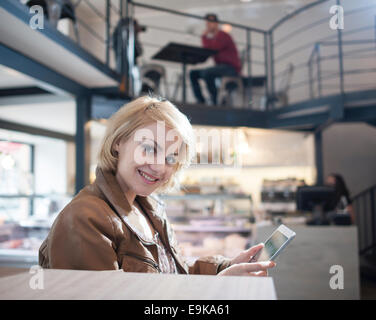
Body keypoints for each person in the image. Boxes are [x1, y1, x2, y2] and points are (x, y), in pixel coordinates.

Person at [38, 95, 275, 277]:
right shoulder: (84, 218)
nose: (160, 167)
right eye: (150, 148)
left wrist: (226, 267)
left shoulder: (148, 207)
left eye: (171, 157)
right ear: (119, 141)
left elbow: (172, 273)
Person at [190, 13, 241, 106]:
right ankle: (201, 100)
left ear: (216, 23)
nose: (208, 25)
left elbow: (212, 48)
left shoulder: (223, 35)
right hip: (221, 68)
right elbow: (209, 50)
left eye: (210, 22)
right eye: (207, 23)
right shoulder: (214, 38)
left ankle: (214, 101)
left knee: (207, 73)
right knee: (193, 74)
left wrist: (204, 36)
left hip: (230, 68)